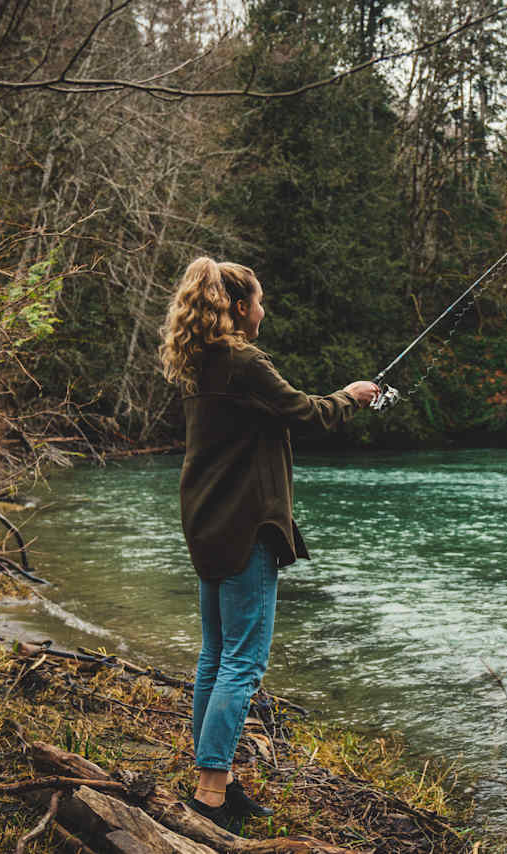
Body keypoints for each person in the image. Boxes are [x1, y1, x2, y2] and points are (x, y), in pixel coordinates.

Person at [158, 257, 379, 830]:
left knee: (216, 654)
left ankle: (219, 782)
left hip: (206, 522)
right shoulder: (243, 361)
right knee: (243, 662)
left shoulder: (201, 362)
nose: (264, 309)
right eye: (258, 300)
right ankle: (209, 796)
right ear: (237, 308)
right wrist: (352, 396)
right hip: (245, 525)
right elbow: (302, 409)